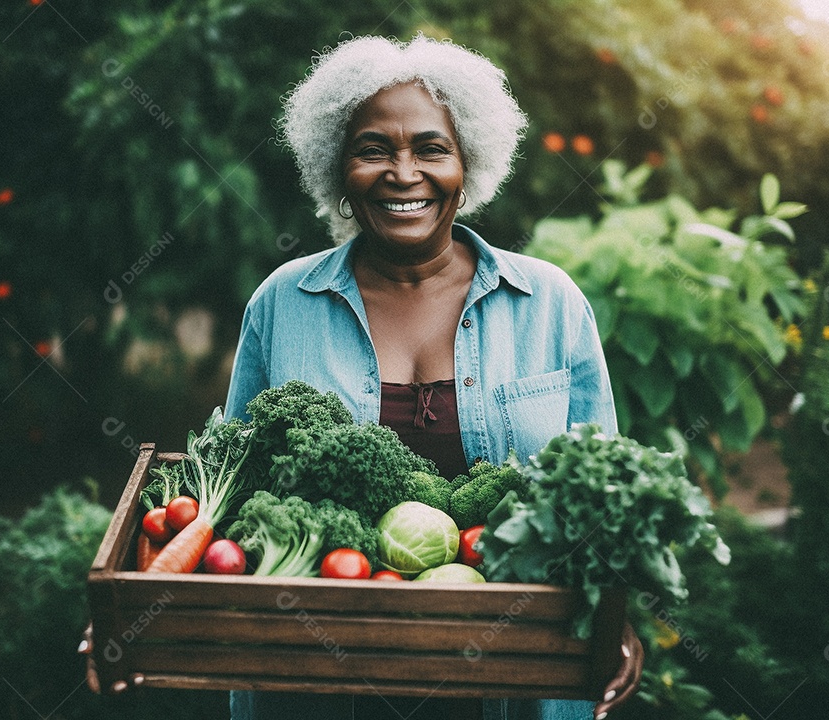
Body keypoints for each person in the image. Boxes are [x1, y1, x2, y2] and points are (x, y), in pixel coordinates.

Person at [220, 34, 643, 720]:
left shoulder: (551, 303)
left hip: (513, 683)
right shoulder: (282, 304)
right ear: (338, 166)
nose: (403, 172)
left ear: (467, 163)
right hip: (315, 683)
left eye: (430, 148)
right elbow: (235, 493)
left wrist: (611, 624)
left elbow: (605, 495)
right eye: (373, 149)